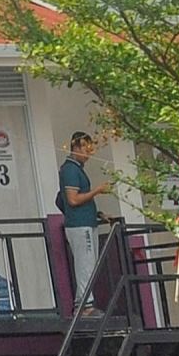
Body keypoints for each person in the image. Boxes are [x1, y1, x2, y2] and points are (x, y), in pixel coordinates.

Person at [59, 132, 110, 311]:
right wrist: (96, 191)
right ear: (76, 147)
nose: (88, 154)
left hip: (86, 221)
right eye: (86, 149)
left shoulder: (76, 169)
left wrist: (96, 213)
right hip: (80, 226)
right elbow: (72, 199)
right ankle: (85, 306)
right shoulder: (71, 170)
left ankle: (84, 301)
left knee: (90, 263)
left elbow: (62, 200)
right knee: (85, 263)